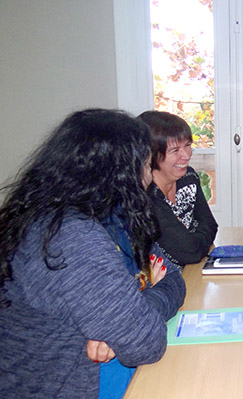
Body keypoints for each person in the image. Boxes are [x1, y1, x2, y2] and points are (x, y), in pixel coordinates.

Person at [0, 109, 186, 398]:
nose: (150, 177)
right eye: (146, 166)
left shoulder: (116, 219)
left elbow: (174, 279)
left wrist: (131, 316)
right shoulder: (69, 236)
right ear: (119, 173)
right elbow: (146, 342)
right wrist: (136, 315)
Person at [137, 111, 218, 267]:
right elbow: (190, 252)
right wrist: (195, 236)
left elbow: (211, 225)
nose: (186, 155)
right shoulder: (146, 195)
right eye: (175, 150)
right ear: (150, 155)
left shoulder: (188, 178)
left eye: (187, 145)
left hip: (191, 272)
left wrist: (194, 239)